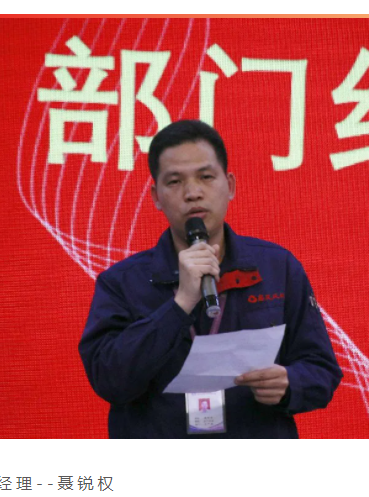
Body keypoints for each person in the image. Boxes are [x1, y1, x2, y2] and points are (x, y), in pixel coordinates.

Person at [79, 120, 342, 438]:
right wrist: (180, 304)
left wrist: (290, 383)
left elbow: (322, 370)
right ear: (156, 197)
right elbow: (109, 380)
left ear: (229, 186)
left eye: (205, 177)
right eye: (175, 181)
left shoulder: (278, 267)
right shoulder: (121, 283)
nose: (192, 193)